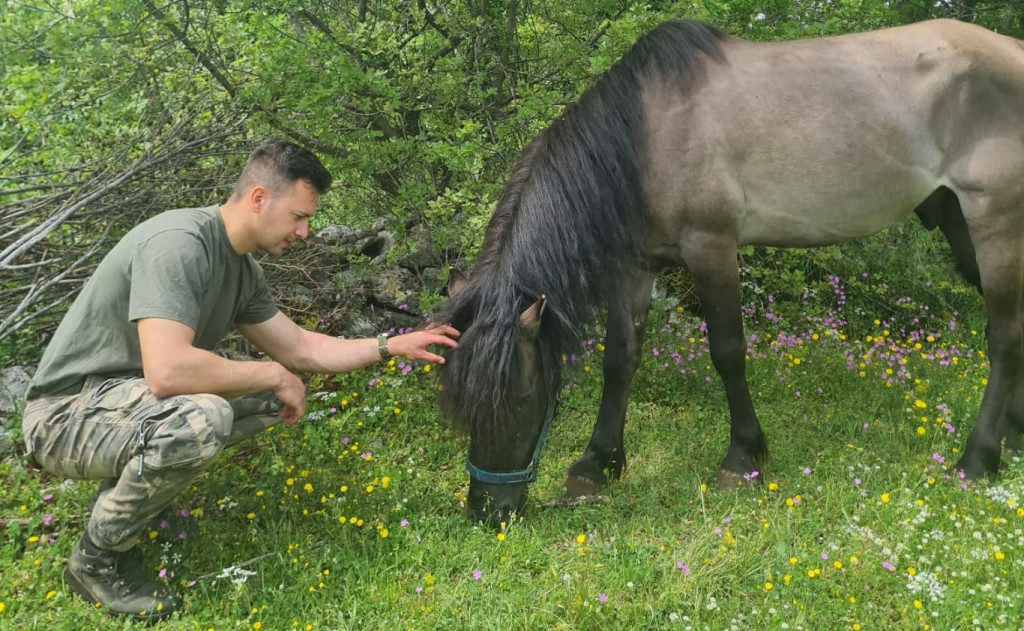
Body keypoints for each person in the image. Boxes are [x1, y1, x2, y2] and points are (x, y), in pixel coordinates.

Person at [21, 141, 459, 621]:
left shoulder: (242, 268)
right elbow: (167, 372)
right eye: (297, 216)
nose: (305, 232)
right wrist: (271, 372)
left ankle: (132, 496)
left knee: (263, 398)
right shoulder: (178, 243)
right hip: (64, 415)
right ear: (257, 198)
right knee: (200, 419)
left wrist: (389, 345)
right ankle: (95, 561)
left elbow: (300, 348)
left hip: (122, 404)